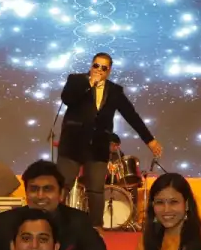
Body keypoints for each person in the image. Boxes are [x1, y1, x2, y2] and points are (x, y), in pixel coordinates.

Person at [57, 52, 165, 226]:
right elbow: (67, 99)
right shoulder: (76, 81)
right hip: (72, 144)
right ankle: (53, 224)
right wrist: (89, 84)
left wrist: (149, 140)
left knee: (96, 190)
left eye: (103, 68)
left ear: (109, 71)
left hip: (98, 146)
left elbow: (132, 116)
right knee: (62, 186)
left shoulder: (115, 91)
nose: (99, 70)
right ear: (91, 66)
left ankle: (96, 228)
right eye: (96, 66)